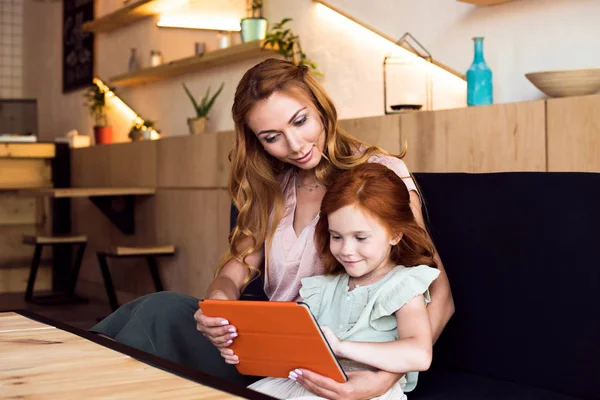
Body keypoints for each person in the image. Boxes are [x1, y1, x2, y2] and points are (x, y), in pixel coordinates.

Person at [91, 58, 454, 399]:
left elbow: (438, 295)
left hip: (335, 363)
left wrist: (379, 377)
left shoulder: (377, 175)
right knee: (157, 310)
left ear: (320, 105)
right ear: (256, 141)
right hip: (268, 350)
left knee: (154, 319)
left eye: (300, 121)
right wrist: (218, 304)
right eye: (271, 137)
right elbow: (234, 271)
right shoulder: (272, 186)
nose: (295, 146)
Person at [238, 162, 440, 399]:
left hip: (366, 392)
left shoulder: (403, 284)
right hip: (309, 384)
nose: (346, 250)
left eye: (361, 238)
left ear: (395, 234)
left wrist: (340, 346)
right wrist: (246, 350)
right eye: (336, 237)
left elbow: (419, 354)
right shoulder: (323, 287)